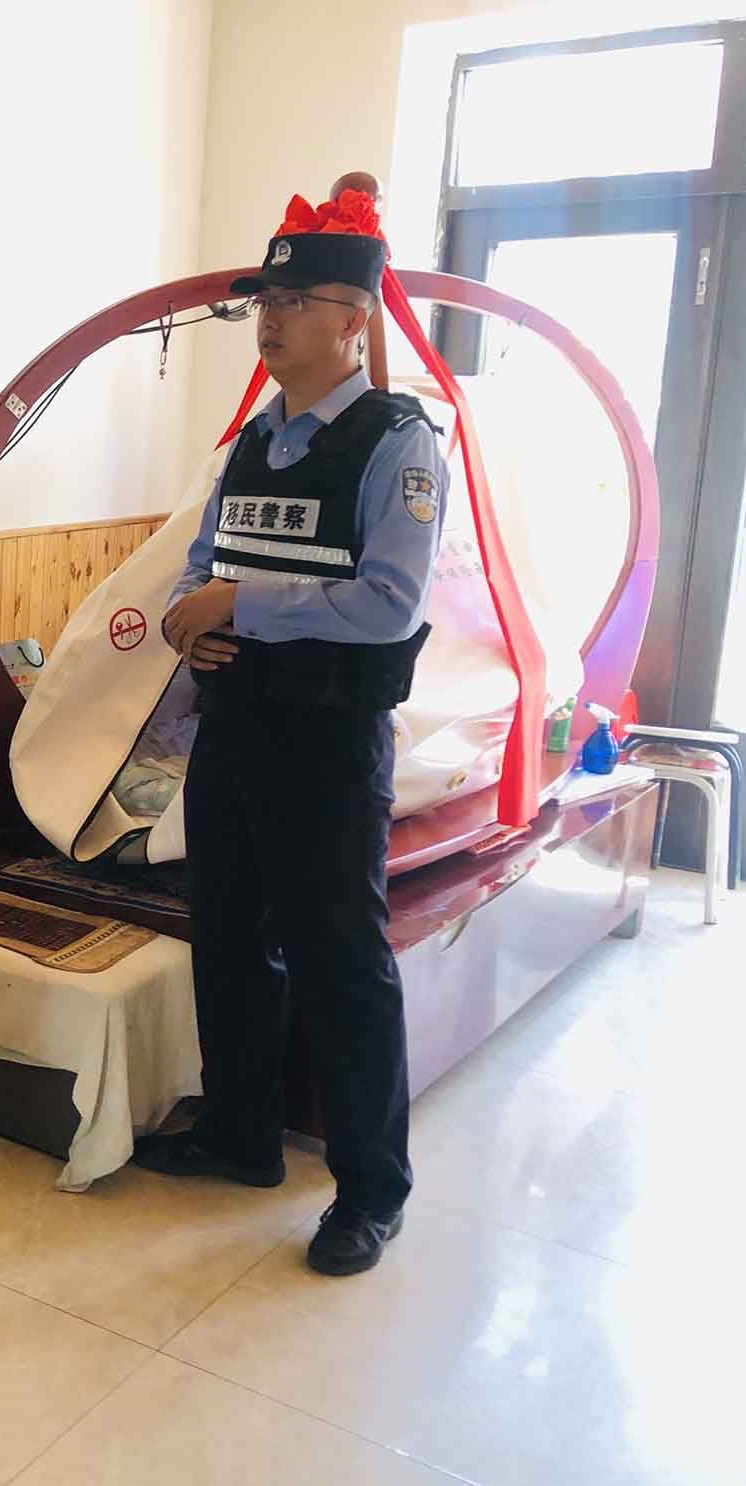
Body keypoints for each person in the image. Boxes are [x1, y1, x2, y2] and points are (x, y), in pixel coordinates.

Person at [135, 190, 448, 1277]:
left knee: (339, 960)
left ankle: (369, 1190)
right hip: (235, 728)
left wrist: (241, 607)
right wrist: (187, 620)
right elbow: (197, 570)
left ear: (353, 319)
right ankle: (239, 1135)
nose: (269, 319)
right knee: (226, 938)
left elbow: (388, 605)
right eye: (262, 301)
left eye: (295, 299)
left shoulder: (397, 445)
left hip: (328, 739)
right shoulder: (251, 446)